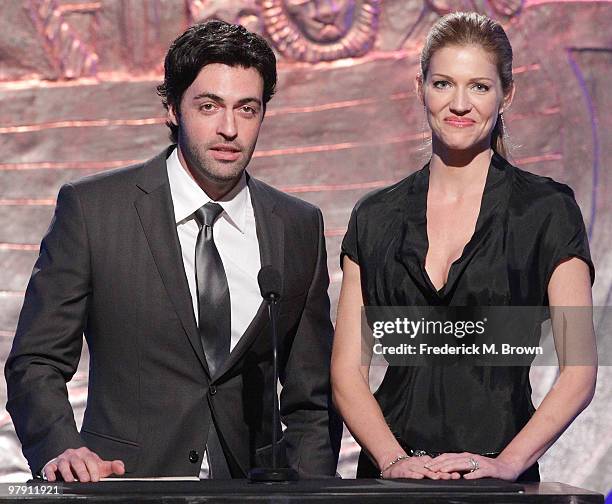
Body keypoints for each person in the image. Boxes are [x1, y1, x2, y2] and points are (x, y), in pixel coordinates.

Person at [5, 20, 341, 482]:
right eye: (209, 106)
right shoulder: (94, 211)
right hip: (125, 484)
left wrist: (311, 489)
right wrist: (60, 449)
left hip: (252, 489)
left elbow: (313, 396)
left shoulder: (297, 226)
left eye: (247, 109)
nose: (229, 129)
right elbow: (36, 361)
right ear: (172, 108)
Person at [331, 12, 596, 482]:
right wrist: (394, 462)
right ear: (421, 89)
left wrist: (507, 464)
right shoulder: (374, 217)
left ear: (506, 94)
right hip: (392, 479)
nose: (459, 104)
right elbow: (348, 372)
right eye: (443, 84)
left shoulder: (546, 211)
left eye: (478, 87)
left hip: (497, 479)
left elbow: (579, 371)